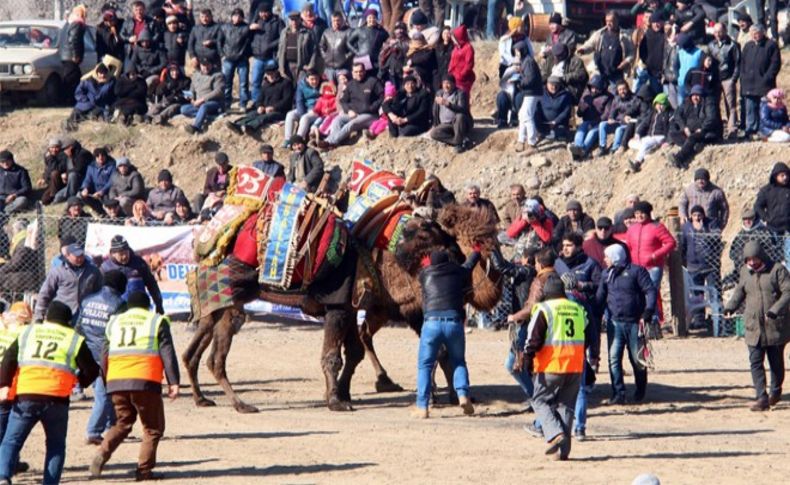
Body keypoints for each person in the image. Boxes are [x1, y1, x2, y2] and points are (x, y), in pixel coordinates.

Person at [0, 301, 100, 484]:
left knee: (11, 441)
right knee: (55, 446)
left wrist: (5, 385)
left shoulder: (29, 332)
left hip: (26, 395)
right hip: (57, 398)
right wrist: (78, 382)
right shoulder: (73, 338)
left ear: (47, 317)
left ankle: (3, 476)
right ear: (67, 321)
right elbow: (92, 370)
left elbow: (8, 359)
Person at [89, 292, 180, 481]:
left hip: (116, 381)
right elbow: (167, 351)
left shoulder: (115, 322)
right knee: (152, 428)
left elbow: (105, 354)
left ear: (128, 307)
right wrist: (174, 382)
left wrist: (106, 380)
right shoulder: (156, 321)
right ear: (147, 306)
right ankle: (144, 471)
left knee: (123, 422)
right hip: (145, 380)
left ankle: (102, 454)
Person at [412, 247, 480, 418]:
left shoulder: (424, 274)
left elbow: (419, 268)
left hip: (431, 324)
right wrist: (477, 250)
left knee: (425, 366)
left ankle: (422, 406)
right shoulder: (457, 271)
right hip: (454, 323)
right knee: (458, 361)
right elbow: (470, 264)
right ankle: (463, 395)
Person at [525, 274, 588, 459]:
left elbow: (534, 339)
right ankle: (563, 452)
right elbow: (588, 333)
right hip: (575, 364)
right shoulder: (577, 308)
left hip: (551, 364)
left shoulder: (544, 308)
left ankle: (554, 433)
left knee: (539, 400)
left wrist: (528, 359)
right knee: (566, 406)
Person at [724, 241, 790, 411]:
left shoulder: (777, 270)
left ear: (761, 256)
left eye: (754, 259)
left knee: (776, 363)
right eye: (748, 260)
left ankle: (775, 391)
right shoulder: (745, 272)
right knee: (755, 361)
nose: (751, 263)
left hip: (774, 326)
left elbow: (788, 292)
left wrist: (775, 309)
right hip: (754, 326)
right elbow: (740, 291)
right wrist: (731, 306)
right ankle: (761, 397)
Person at [596, 244, 655, 404]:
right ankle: (618, 393)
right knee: (614, 359)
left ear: (615, 256)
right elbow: (600, 298)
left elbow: (650, 290)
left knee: (637, 359)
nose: (604, 259)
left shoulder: (637, 271)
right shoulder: (606, 275)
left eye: (607, 256)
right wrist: (595, 314)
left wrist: (648, 311)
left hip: (635, 322)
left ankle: (640, 390)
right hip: (614, 323)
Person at [75, 271, 128, 445]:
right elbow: (120, 331)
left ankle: (110, 426)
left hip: (87, 353)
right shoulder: (119, 304)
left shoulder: (87, 300)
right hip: (105, 354)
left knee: (108, 391)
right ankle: (93, 431)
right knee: (103, 394)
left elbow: (79, 327)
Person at [625, 200, 676, 329]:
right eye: (636, 213)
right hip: (636, 267)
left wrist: (655, 255)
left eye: (642, 213)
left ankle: (653, 324)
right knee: (637, 295)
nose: (639, 216)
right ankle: (641, 324)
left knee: (651, 294)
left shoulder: (657, 227)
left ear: (648, 213)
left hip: (652, 267)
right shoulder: (632, 229)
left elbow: (671, 243)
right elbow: (628, 246)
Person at [34, 242, 103, 322]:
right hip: (62, 314)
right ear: (68, 256)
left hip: (85, 314)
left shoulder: (93, 271)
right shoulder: (58, 272)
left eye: (81, 255)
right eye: (76, 256)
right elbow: (45, 293)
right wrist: (39, 315)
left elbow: (99, 292)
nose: (80, 258)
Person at [320, 63, 383, 149]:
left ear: (364, 71)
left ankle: (330, 142)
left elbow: (382, 97)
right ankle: (331, 141)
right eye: (356, 72)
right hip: (354, 113)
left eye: (361, 71)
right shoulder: (351, 84)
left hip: (370, 115)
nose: (358, 74)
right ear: (352, 73)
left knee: (351, 124)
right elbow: (343, 101)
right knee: (337, 120)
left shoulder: (373, 81)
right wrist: (348, 110)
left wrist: (371, 108)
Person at [679, 205, 723, 329]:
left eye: (699, 215)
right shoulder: (686, 227)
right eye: (694, 215)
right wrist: (684, 262)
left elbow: (717, 239)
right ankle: (699, 319)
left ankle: (718, 317)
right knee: (697, 295)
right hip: (693, 266)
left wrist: (703, 228)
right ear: (690, 216)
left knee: (714, 291)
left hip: (710, 266)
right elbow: (683, 245)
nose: (697, 217)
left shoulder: (711, 225)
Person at [101, 235, 165, 314]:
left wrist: (159, 304)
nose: (124, 256)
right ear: (113, 253)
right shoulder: (105, 268)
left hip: (139, 308)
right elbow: (101, 293)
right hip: (117, 309)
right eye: (121, 254)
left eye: (126, 252)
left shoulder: (139, 263)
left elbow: (152, 284)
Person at [227, 62, 293, 135]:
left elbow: (287, 101)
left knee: (264, 118)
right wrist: (259, 106)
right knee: (252, 114)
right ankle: (237, 125)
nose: (270, 76)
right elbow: (260, 99)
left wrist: (274, 107)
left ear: (277, 72)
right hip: (265, 109)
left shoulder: (286, 83)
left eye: (272, 73)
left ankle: (250, 127)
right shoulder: (265, 84)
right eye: (268, 74)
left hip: (279, 112)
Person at [724, 208, 784, 287]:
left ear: (755, 219)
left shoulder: (764, 232)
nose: (747, 221)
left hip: (763, 271)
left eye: (750, 219)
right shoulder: (740, 235)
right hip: (744, 271)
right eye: (745, 219)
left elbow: (773, 252)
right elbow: (732, 254)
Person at [740, 24, 781, 138]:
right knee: (750, 108)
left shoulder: (771, 45)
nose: (754, 35)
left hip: (764, 84)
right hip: (749, 83)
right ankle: (750, 130)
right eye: (752, 33)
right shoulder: (748, 46)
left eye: (756, 33)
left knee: (763, 108)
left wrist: (767, 77)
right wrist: (743, 76)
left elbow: (775, 64)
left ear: (763, 32)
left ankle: (763, 130)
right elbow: (742, 63)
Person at [667, 85, 722, 168]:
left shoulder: (709, 102)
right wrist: (684, 127)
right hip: (692, 131)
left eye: (697, 95)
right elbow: (677, 114)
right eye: (693, 95)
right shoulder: (687, 103)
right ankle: (694, 146)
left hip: (708, 131)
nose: (695, 98)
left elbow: (711, 118)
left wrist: (702, 129)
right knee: (673, 134)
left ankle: (679, 158)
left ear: (702, 95)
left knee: (692, 138)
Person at [576, 12, 633, 89]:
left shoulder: (625, 36)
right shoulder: (600, 34)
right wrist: (583, 49)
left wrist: (626, 62)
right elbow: (590, 44)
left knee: (614, 95)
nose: (609, 23)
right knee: (597, 93)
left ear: (617, 21)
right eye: (607, 21)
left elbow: (632, 52)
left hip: (616, 73)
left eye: (611, 21)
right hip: (600, 71)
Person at [708, 23, 740, 139]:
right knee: (715, 105)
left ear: (725, 31)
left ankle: (732, 130)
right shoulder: (711, 45)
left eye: (719, 32)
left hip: (728, 78)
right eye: (715, 32)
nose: (717, 34)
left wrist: (733, 79)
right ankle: (718, 131)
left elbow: (738, 63)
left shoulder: (732, 45)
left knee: (730, 106)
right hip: (715, 79)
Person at [64, 64, 117, 132]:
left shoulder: (109, 83)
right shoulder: (88, 81)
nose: (102, 75)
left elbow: (112, 96)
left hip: (100, 106)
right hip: (87, 103)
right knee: (76, 113)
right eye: (101, 73)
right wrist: (84, 99)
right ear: (97, 73)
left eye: (104, 73)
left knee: (98, 116)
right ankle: (69, 128)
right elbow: (78, 92)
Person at [249, 2, 284, 104]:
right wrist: (250, 28)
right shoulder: (256, 21)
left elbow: (282, 38)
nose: (263, 15)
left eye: (265, 12)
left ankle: (271, 102)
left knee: (272, 81)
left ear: (270, 11)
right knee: (255, 82)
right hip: (258, 57)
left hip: (271, 57)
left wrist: (270, 45)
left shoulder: (277, 21)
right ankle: (256, 102)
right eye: (261, 12)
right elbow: (246, 35)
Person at [627, 92, 672, 172]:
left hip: (660, 136)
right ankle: (647, 152)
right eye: (657, 104)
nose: (659, 106)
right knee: (631, 142)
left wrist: (668, 141)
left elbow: (671, 128)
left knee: (645, 143)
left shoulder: (669, 114)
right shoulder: (653, 113)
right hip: (650, 136)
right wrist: (638, 133)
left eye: (661, 104)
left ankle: (637, 163)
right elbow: (644, 123)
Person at [181, 57, 225, 134]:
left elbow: (219, 91)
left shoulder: (218, 75)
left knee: (204, 106)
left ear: (211, 65)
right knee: (183, 109)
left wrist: (202, 99)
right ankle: (204, 114)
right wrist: (190, 98)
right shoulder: (196, 75)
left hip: (213, 103)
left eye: (208, 65)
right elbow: (192, 89)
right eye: (203, 65)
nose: (206, 67)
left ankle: (196, 127)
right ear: (200, 65)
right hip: (198, 103)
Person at [430, 75, 473, 153]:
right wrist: (435, 124)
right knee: (433, 134)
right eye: (444, 83)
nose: (446, 86)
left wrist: (448, 104)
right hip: (445, 125)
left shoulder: (461, 93)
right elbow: (435, 110)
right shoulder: (439, 93)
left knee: (460, 116)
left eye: (448, 83)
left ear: (454, 84)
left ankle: (459, 142)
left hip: (458, 124)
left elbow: (463, 110)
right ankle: (458, 141)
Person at [220, 8, 251, 109]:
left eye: (239, 16)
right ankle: (226, 103)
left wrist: (247, 55)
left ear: (242, 17)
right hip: (228, 59)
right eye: (235, 15)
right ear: (232, 17)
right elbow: (219, 41)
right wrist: (222, 55)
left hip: (242, 59)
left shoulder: (246, 28)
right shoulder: (225, 27)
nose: (237, 18)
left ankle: (243, 104)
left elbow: (250, 43)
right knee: (227, 82)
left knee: (243, 83)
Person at [596, 81, 638, 156]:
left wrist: (623, 118)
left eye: (624, 89)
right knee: (602, 125)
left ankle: (615, 148)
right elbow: (613, 110)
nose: (622, 91)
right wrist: (611, 117)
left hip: (629, 124)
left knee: (619, 130)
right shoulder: (616, 99)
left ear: (628, 88)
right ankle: (602, 147)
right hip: (618, 121)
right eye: (620, 90)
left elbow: (634, 112)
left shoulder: (634, 98)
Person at [283, 70, 321, 147]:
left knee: (305, 118)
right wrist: (301, 114)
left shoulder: (323, 84)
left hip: (317, 110)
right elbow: (299, 100)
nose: (315, 81)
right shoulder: (301, 85)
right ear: (307, 79)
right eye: (312, 79)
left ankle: (298, 140)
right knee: (290, 114)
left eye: (316, 79)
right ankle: (288, 139)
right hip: (305, 107)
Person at [278, 12, 317, 84]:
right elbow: (280, 50)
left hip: (302, 66)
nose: (294, 22)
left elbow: (314, 50)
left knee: (299, 88)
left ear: (300, 20)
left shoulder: (307, 32)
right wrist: (280, 65)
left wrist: (310, 65)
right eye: (292, 20)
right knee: (288, 88)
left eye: (296, 20)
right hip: (287, 65)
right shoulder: (284, 32)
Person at [754, 162, 790, 239]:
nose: (785, 177)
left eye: (786, 175)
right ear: (775, 176)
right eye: (782, 175)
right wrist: (766, 218)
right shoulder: (767, 190)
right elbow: (758, 206)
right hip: (772, 228)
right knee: (773, 250)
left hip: (788, 228)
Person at [347, 9, 389, 75]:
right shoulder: (360, 30)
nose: (371, 20)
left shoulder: (381, 32)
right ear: (366, 19)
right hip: (362, 60)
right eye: (370, 18)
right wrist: (356, 52)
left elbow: (388, 41)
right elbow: (349, 42)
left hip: (375, 62)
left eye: (374, 18)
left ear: (376, 19)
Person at [634, 12, 665, 96]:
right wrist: (645, 62)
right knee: (637, 91)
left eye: (659, 22)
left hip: (660, 72)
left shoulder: (665, 35)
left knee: (658, 94)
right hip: (647, 69)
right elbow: (641, 51)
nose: (656, 24)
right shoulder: (646, 34)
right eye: (654, 22)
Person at [62, 5, 88, 105]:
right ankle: (70, 100)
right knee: (73, 79)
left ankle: (70, 99)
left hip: (66, 55)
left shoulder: (68, 23)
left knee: (73, 77)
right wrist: (75, 54)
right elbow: (74, 39)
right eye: (84, 14)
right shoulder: (77, 23)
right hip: (71, 56)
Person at [535, 76, 574, 142]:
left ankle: (549, 134)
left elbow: (566, 112)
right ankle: (543, 133)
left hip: (559, 124)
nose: (554, 87)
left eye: (556, 85)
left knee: (560, 134)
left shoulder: (566, 95)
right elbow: (537, 108)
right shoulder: (541, 93)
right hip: (544, 123)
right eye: (552, 85)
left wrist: (555, 122)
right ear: (547, 84)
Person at [78, 147, 116, 214]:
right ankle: (99, 211)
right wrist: (85, 188)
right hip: (95, 189)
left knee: (107, 199)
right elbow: (87, 179)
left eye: (102, 155)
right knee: (82, 195)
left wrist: (102, 191)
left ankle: (109, 213)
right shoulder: (91, 166)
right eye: (98, 156)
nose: (100, 158)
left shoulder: (111, 166)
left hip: (107, 190)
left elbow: (112, 181)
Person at [320, 13, 352, 83]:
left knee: (342, 90)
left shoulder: (348, 32)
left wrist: (346, 57)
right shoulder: (326, 32)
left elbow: (354, 48)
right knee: (329, 90)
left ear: (342, 20)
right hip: (329, 68)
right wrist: (325, 56)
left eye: (338, 20)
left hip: (343, 68)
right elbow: (321, 46)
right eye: (334, 20)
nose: (336, 22)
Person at [379, 22, 410, 87]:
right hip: (390, 70)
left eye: (402, 29)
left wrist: (397, 44)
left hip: (402, 71)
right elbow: (381, 54)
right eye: (397, 29)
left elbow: (407, 50)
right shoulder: (389, 41)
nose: (399, 31)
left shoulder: (408, 41)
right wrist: (389, 46)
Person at [39, 138, 68, 205]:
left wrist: (51, 158)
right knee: (44, 200)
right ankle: (52, 195)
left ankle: (54, 196)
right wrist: (44, 178)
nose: (54, 150)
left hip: (61, 182)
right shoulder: (48, 156)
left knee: (54, 173)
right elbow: (47, 168)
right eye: (52, 147)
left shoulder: (63, 156)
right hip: (51, 183)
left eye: (56, 147)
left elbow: (55, 168)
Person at [448, 25, 475, 95]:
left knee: (462, 97)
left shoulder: (468, 48)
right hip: (453, 78)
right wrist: (450, 71)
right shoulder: (456, 48)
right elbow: (452, 61)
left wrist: (461, 75)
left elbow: (469, 64)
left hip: (463, 79)